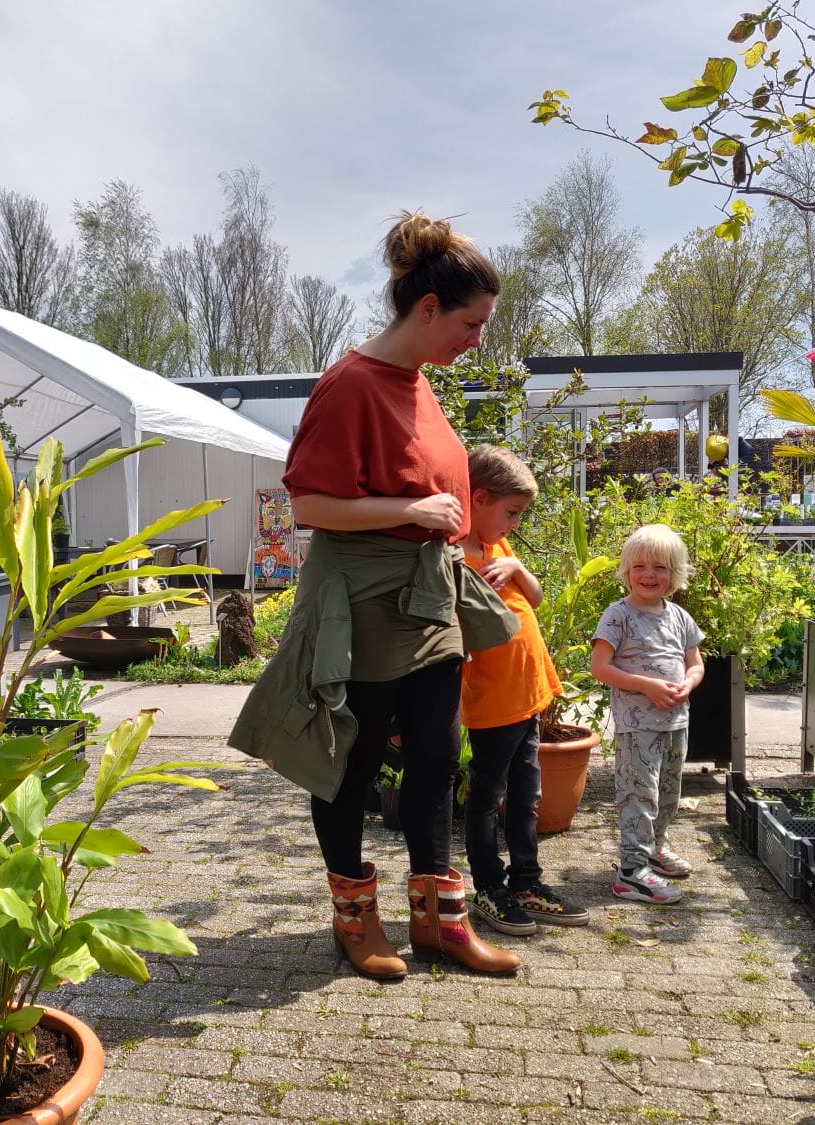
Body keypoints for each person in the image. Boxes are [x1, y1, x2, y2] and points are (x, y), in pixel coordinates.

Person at [229, 211, 521, 980]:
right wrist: (410, 510)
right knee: (352, 766)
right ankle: (356, 915)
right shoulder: (351, 383)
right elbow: (309, 507)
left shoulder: (422, 386)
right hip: (362, 601)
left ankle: (440, 920)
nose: (477, 339)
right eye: (471, 322)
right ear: (427, 309)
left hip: (429, 600)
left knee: (437, 756)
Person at [458, 444, 588, 935]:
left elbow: (534, 596)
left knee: (527, 794)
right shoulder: (455, 560)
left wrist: (517, 569)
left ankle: (526, 881)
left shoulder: (497, 549)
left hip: (529, 696)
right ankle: (490, 887)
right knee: (488, 797)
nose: (513, 523)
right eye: (510, 513)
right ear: (478, 497)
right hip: (493, 704)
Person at [590, 525, 705, 905]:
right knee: (639, 794)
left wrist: (687, 684)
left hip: (676, 721)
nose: (649, 575)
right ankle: (631, 871)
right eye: (640, 566)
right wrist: (648, 686)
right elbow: (601, 668)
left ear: (675, 574)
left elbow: (696, 664)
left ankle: (656, 848)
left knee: (668, 793)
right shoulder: (618, 615)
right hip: (637, 727)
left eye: (660, 567)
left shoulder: (679, 617)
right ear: (626, 571)